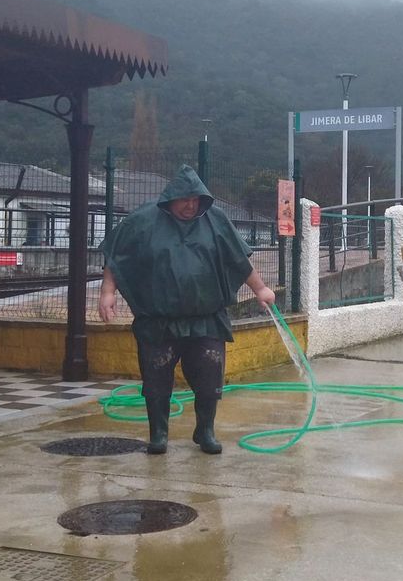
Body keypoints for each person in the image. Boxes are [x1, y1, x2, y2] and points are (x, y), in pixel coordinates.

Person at [98, 165, 275, 455]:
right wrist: (107, 292)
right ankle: (158, 433)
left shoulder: (215, 220)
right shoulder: (143, 220)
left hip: (206, 319)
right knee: (156, 380)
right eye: (185, 200)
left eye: (195, 200)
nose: (191, 206)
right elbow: (117, 256)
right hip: (158, 320)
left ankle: (205, 429)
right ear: (171, 198)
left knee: (209, 376)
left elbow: (238, 259)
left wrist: (261, 289)